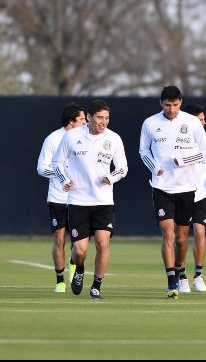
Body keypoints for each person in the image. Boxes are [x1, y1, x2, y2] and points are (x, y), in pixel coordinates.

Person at [140, 86, 206, 299]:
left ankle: (180, 270)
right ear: (161, 103)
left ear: (181, 102)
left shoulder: (191, 122)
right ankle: (171, 281)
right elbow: (143, 150)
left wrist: (183, 161)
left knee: (181, 239)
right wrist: (154, 166)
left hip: (187, 187)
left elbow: (204, 151)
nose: (172, 109)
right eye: (168, 105)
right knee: (167, 233)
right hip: (162, 187)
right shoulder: (150, 123)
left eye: (176, 105)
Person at [52, 100, 127, 299]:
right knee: (80, 250)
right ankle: (80, 268)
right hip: (78, 201)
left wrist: (110, 177)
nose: (104, 122)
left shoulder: (114, 138)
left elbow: (122, 167)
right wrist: (64, 179)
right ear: (90, 117)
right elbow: (57, 162)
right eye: (100, 117)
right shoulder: (72, 136)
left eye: (107, 118)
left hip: (103, 201)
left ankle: (96, 287)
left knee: (103, 243)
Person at [37, 102, 85, 293]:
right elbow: (41, 167)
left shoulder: (85, 138)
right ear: (72, 120)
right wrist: (61, 175)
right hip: (57, 197)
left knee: (78, 241)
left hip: (79, 198)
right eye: (82, 118)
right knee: (59, 238)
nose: (85, 121)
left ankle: (74, 268)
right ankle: (60, 281)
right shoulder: (53, 139)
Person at [179, 104, 206, 293]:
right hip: (182, 191)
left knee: (200, 232)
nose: (204, 122)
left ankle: (199, 275)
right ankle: (181, 275)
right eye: (200, 119)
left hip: (201, 193)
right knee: (182, 236)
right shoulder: (181, 138)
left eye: (204, 119)